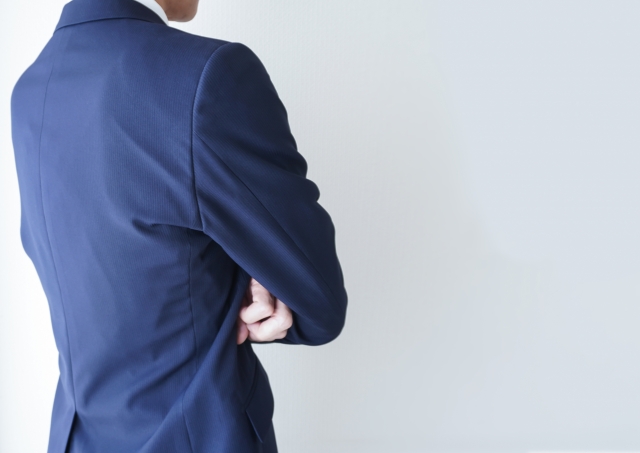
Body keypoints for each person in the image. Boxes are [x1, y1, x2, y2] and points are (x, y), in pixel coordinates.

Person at [9, 0, 348, 451]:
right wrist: (250, 286)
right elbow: (320, 300)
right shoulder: (208, 76)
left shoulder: (30, 88)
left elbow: (113, 264)